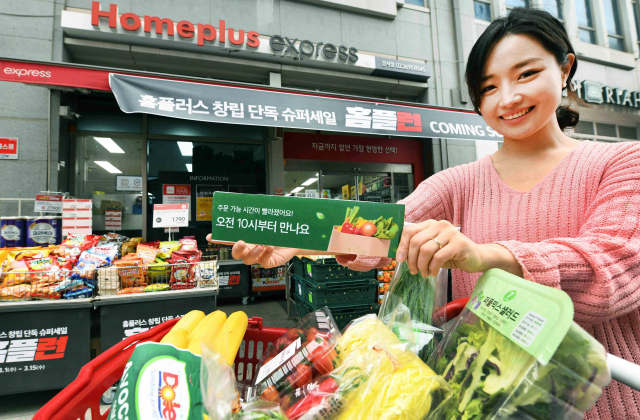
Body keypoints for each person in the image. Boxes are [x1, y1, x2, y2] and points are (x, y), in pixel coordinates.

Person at [208, 8, 640, 419]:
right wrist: (291, 240)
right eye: (488, 88)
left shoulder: (621, 162)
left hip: (602, 401)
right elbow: (378, 228)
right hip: (481, 401)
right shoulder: (460, 182)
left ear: (564, 69)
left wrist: (486, 256)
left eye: (526, 74)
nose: (508, 98)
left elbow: (613, 268)